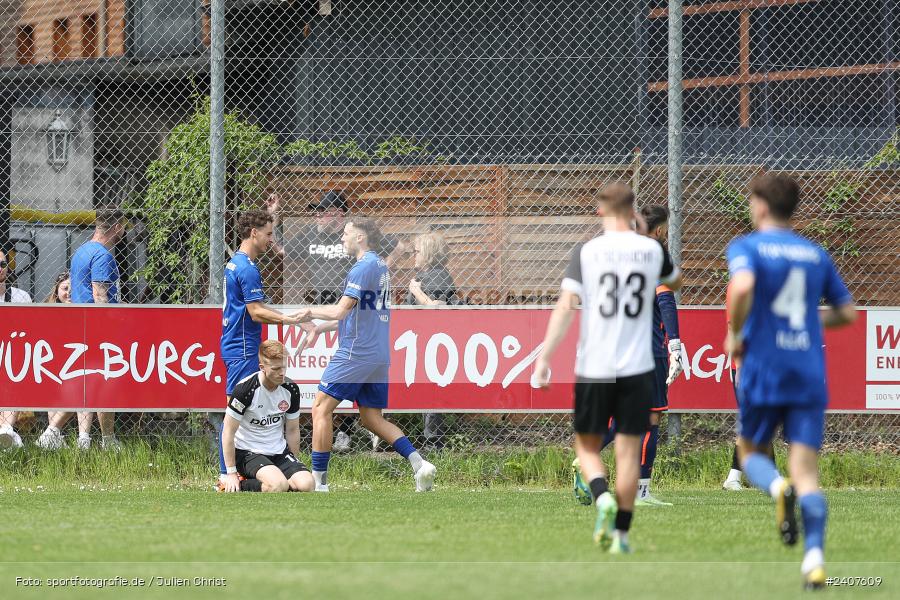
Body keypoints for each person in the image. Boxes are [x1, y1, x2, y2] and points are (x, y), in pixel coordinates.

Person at [533, 183, 682, 554]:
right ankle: (622, 537)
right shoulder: (651, 251)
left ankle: (602, 497)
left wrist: (545, 358)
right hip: (638, 366)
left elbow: (566, 306)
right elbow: (674, 282)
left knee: (587, 447)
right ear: (633, 212)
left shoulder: (587, 251)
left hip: (595, 365)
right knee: (628, 453)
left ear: (600, 211)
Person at [724, 174, 856, 590]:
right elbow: (847, 313)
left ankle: (777, 487)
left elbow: (742, 286)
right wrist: (806, 322)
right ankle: (814, 560)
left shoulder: (747, 247)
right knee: (808, 472)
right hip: (807, 370)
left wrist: (735, 332)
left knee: (750, 453)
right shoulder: (815, 254)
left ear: (762, 206)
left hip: (765, 366)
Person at [296, 216, 436, 492]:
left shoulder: (362, 267)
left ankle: (319, 483)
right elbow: (357, 314)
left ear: (360, 237)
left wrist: (310, 311)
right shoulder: (380, 266)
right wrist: (320, 329)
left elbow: (341, 311)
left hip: (356, 351)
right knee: (371, 418)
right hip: (378, 353)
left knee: (321, 408)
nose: (341, 237)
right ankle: (420, 464)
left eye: (346, 233)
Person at [571, 205, 684, 507]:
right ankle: (640, 491)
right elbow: (666, 300)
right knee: (651, 417)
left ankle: (588, 455)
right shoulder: (653, 256)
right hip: (648, 349)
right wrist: (675, 344)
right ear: (659, 230)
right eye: (666, 229)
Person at [217, 210, 309, 485]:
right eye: (269, 234)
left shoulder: (236, 262)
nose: (271, 240)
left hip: (237, 344)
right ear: (254, 233)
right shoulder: (247, 268)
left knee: (238, 409)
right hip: (243, 347)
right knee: (234, 411)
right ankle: (226, 475)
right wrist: (290, 319)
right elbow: (256, 312)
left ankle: (248, 470)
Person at [268, 190, 359, 452]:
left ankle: (347, 429)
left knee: (348, 372)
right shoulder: (310, 234)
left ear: (338, 214)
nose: (317, 215)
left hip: (347, 309)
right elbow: (281, 248)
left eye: (323, 211)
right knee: (323, 374)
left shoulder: (352, 236)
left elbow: (393, 248)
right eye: (315, 211)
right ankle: (322, 428)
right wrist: (275, 216)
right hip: (320, 307)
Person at [218, 340, 315, 493]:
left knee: (307, 484)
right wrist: (231, 473)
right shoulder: (245, 389)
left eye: (284, 367)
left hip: (279, 452)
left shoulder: (291, 389)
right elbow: (228, 431)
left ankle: (277, 481)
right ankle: (237, 485)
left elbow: (292, 430)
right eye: (276, 369)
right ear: (262, 367)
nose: (282, 373)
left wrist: (294, 462)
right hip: (248, 452)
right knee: (278, 485)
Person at [68, 208, 127, 450]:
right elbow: (99, 295)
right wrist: (111, 326)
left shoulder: (81, 251)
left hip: (81, 325)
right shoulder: (103, 255)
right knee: (105, 380)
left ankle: (84, 437)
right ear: (117, 227)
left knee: (86, 380)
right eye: (123, 227)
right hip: (98, 329)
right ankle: (108, 439)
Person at [406, 231, 460, 448]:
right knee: (427, 390)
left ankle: (433, 442)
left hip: (435, 341)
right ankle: (431, 439)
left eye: (417, 251)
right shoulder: (431, 275)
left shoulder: (437, 276)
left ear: (428, 253)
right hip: (428, 340)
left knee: (431, 390)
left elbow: (437, 308)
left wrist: (416, 292)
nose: (414, 255)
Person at [35, 271, 93, 450]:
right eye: (65, 288)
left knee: (84, 384)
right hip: (54, 362)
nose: (68, 293)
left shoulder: (87, 310)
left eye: (73, 289)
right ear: (57, 291)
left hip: (81, 363)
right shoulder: (48, 311)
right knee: (54, 382)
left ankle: (82, 438)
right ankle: (55, 435)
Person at [0, 249, 33, 449]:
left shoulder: (21, 296)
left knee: (14, 374)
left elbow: (29, 331)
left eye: (3, 264)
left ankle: (6, 431)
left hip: (13, 355)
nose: (0, 268)